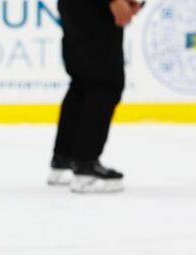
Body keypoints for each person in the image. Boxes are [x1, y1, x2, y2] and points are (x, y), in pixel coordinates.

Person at [48, 0, 143, 193]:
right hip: (94, 7)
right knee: (105, 84)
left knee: (83, 81)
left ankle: (65, 160)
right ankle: (85, 167)